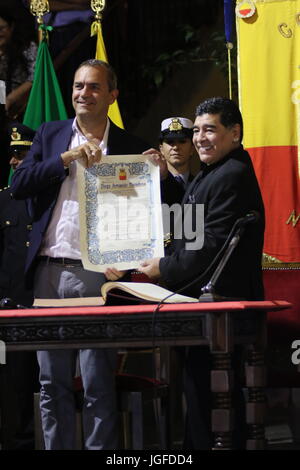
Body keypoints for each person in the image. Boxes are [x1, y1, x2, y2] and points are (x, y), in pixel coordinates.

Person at [10, 58, 149, 450]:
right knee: (51, 382)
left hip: (97, 274)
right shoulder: (51, 135)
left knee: (97, 380)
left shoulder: (130, 147)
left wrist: (154, 173)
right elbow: (19, 183)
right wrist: (65, 160)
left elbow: (141, 216)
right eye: (77, 86)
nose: (82, 94)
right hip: (47, 271)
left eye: (93, 87)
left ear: (112, 95)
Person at [138, 97, 265, 449]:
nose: (199, 138)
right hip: (198, 308)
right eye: (197, 130)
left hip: (222, 309)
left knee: (215, 406)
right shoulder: (210, 174)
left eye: (210, 129)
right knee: (198, 401)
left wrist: (162, 267)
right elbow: (185, 235)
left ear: (235, 133)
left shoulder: (232, 174)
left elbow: (208, 247)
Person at [0, 121, 39, 450]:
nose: (15, 161)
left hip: (46, 305)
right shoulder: (4, 200)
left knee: (51, 385)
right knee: (13, 386)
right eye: (12, 155)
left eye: (22, 154)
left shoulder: (51, 199)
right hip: (10, 310)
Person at [0, 7, 38, 120]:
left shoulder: (27, 46)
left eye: (1, 29)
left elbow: (35, 75)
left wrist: (10, 99)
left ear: (11, 27)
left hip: (25, 101)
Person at [159, 116, 195, 190]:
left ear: (192, 148)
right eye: (170, 142)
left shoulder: (202, 186)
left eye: (182, 141)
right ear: (161, 149)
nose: (176, 147)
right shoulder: (154, 188)